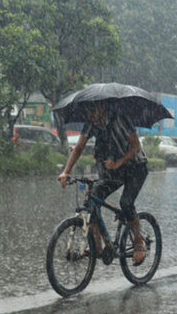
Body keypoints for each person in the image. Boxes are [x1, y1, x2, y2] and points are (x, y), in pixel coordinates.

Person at [58, 101, 148, 265]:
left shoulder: (121, 118)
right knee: (94, 197)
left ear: (101, 107)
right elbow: (78, 147)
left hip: (136, 167)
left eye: (93, 110)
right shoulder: (91, 124)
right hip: (115, 170)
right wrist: (66, 171)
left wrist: (119, 163)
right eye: (88, 112)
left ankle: (138, 242)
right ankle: (97, 247)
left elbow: (135, 146)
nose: (90, 115)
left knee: (126, 203)